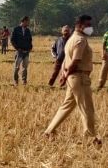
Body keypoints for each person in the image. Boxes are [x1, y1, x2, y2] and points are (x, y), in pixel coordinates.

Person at [43, 15, 101, 145]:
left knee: (67, 106)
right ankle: (92, 137)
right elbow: (75, 60)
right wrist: (67, 73)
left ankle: (49, 131)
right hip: (79, 77)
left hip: (72, 78)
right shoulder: (80, 40)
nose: (90, 28)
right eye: (87, 25)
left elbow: (65, 60)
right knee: (87, 108)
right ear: (80, 26)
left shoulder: (71, 39)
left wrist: (64, 75)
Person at [10, 16, 33, 86]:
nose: (28, 23)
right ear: (23, 21)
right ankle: (16, 81)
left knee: (25, 68)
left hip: (26, 52)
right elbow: (12, 40)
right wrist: (17, 48)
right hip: (19, 51)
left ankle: (24, 81)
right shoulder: (16, 29)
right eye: (27, 21)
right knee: (17, 67)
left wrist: (30, 48)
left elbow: (30, 40)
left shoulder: (28, 30)